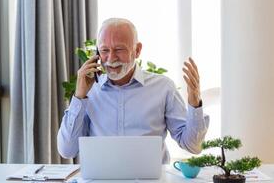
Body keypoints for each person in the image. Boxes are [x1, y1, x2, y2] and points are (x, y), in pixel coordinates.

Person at [57, 18, 209, 163]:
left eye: (119, 49)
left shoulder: (163, 87)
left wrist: (194, 101)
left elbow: (193, 146)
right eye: (104, 50)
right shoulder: (89, 92)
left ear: (137, 50)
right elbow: (67, 150)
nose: (111, 58)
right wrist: (79, 96)